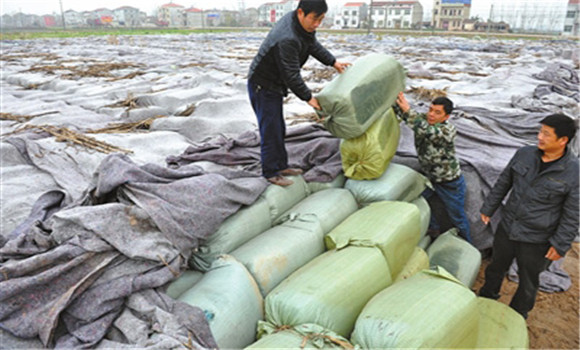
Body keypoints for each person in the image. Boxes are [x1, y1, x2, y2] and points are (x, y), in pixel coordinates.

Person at [479, 113, 579, 319]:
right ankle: (486, 300)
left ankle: (517, 316)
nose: (539, 137)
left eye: (546, 134)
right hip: (508, 228)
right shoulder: (524, 154)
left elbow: (573, 213)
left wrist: (560, 244)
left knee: (528, 280)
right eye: (540, 131)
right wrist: (488, 208)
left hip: (537, 238)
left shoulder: (573, 172)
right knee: (496, 267)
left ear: (563, 141)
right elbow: (503, 182)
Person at [247, 0, 350, 186]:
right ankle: (270, 171)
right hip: (262, 85)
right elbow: (291, 75)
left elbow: (313, 46)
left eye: (322, 19)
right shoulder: (287, 38)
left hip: (274, 84)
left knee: (279, 127)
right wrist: (309, 98)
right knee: (270, 128)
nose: (318, 24)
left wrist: (333, 62)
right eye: (315, 19)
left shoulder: (302, 27)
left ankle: (281, 165)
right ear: (301, 13)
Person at [394, 92, 472, 243]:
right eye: (430, 110)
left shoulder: (446, 131)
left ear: (446, 117)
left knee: (457, 217)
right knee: (420, 199)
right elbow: (407, 116)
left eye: (437, 113)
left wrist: (408, 111)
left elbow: (424, 130)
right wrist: (394, 100)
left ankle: (468, 246)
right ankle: (433, 228)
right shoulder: (423, 120)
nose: (431, 115)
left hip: (449, 183)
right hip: (429, 177)